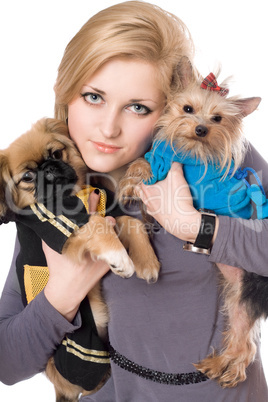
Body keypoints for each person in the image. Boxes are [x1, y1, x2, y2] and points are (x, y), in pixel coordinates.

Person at [0, 1, 267, 401]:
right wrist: (64, 293)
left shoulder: (212, 156)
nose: (109, 127)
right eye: (93, 97)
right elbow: (8, 363)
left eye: (138, 107)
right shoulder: (53, 192)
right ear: (67, 93)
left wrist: (196, 227)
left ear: (170, 111)